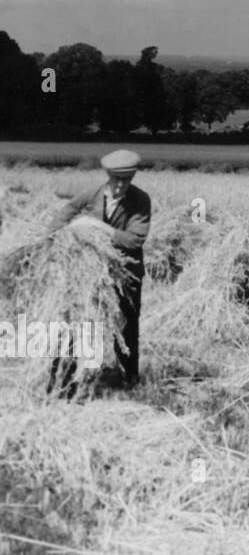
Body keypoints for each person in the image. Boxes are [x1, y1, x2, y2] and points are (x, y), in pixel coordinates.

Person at [47, 149, 151, 394]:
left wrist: (95, 226)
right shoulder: (90, 195)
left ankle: (128, 380)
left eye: (126, 181)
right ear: (108, 177)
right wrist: (68, 234)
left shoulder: (140, 200)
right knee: (74, 324)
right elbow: (59, 220)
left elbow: (134, 241)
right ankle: (62, 381)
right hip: (87, 272)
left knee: (126, 326)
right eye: (116, 181)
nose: (120, 187)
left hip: (126, 274)